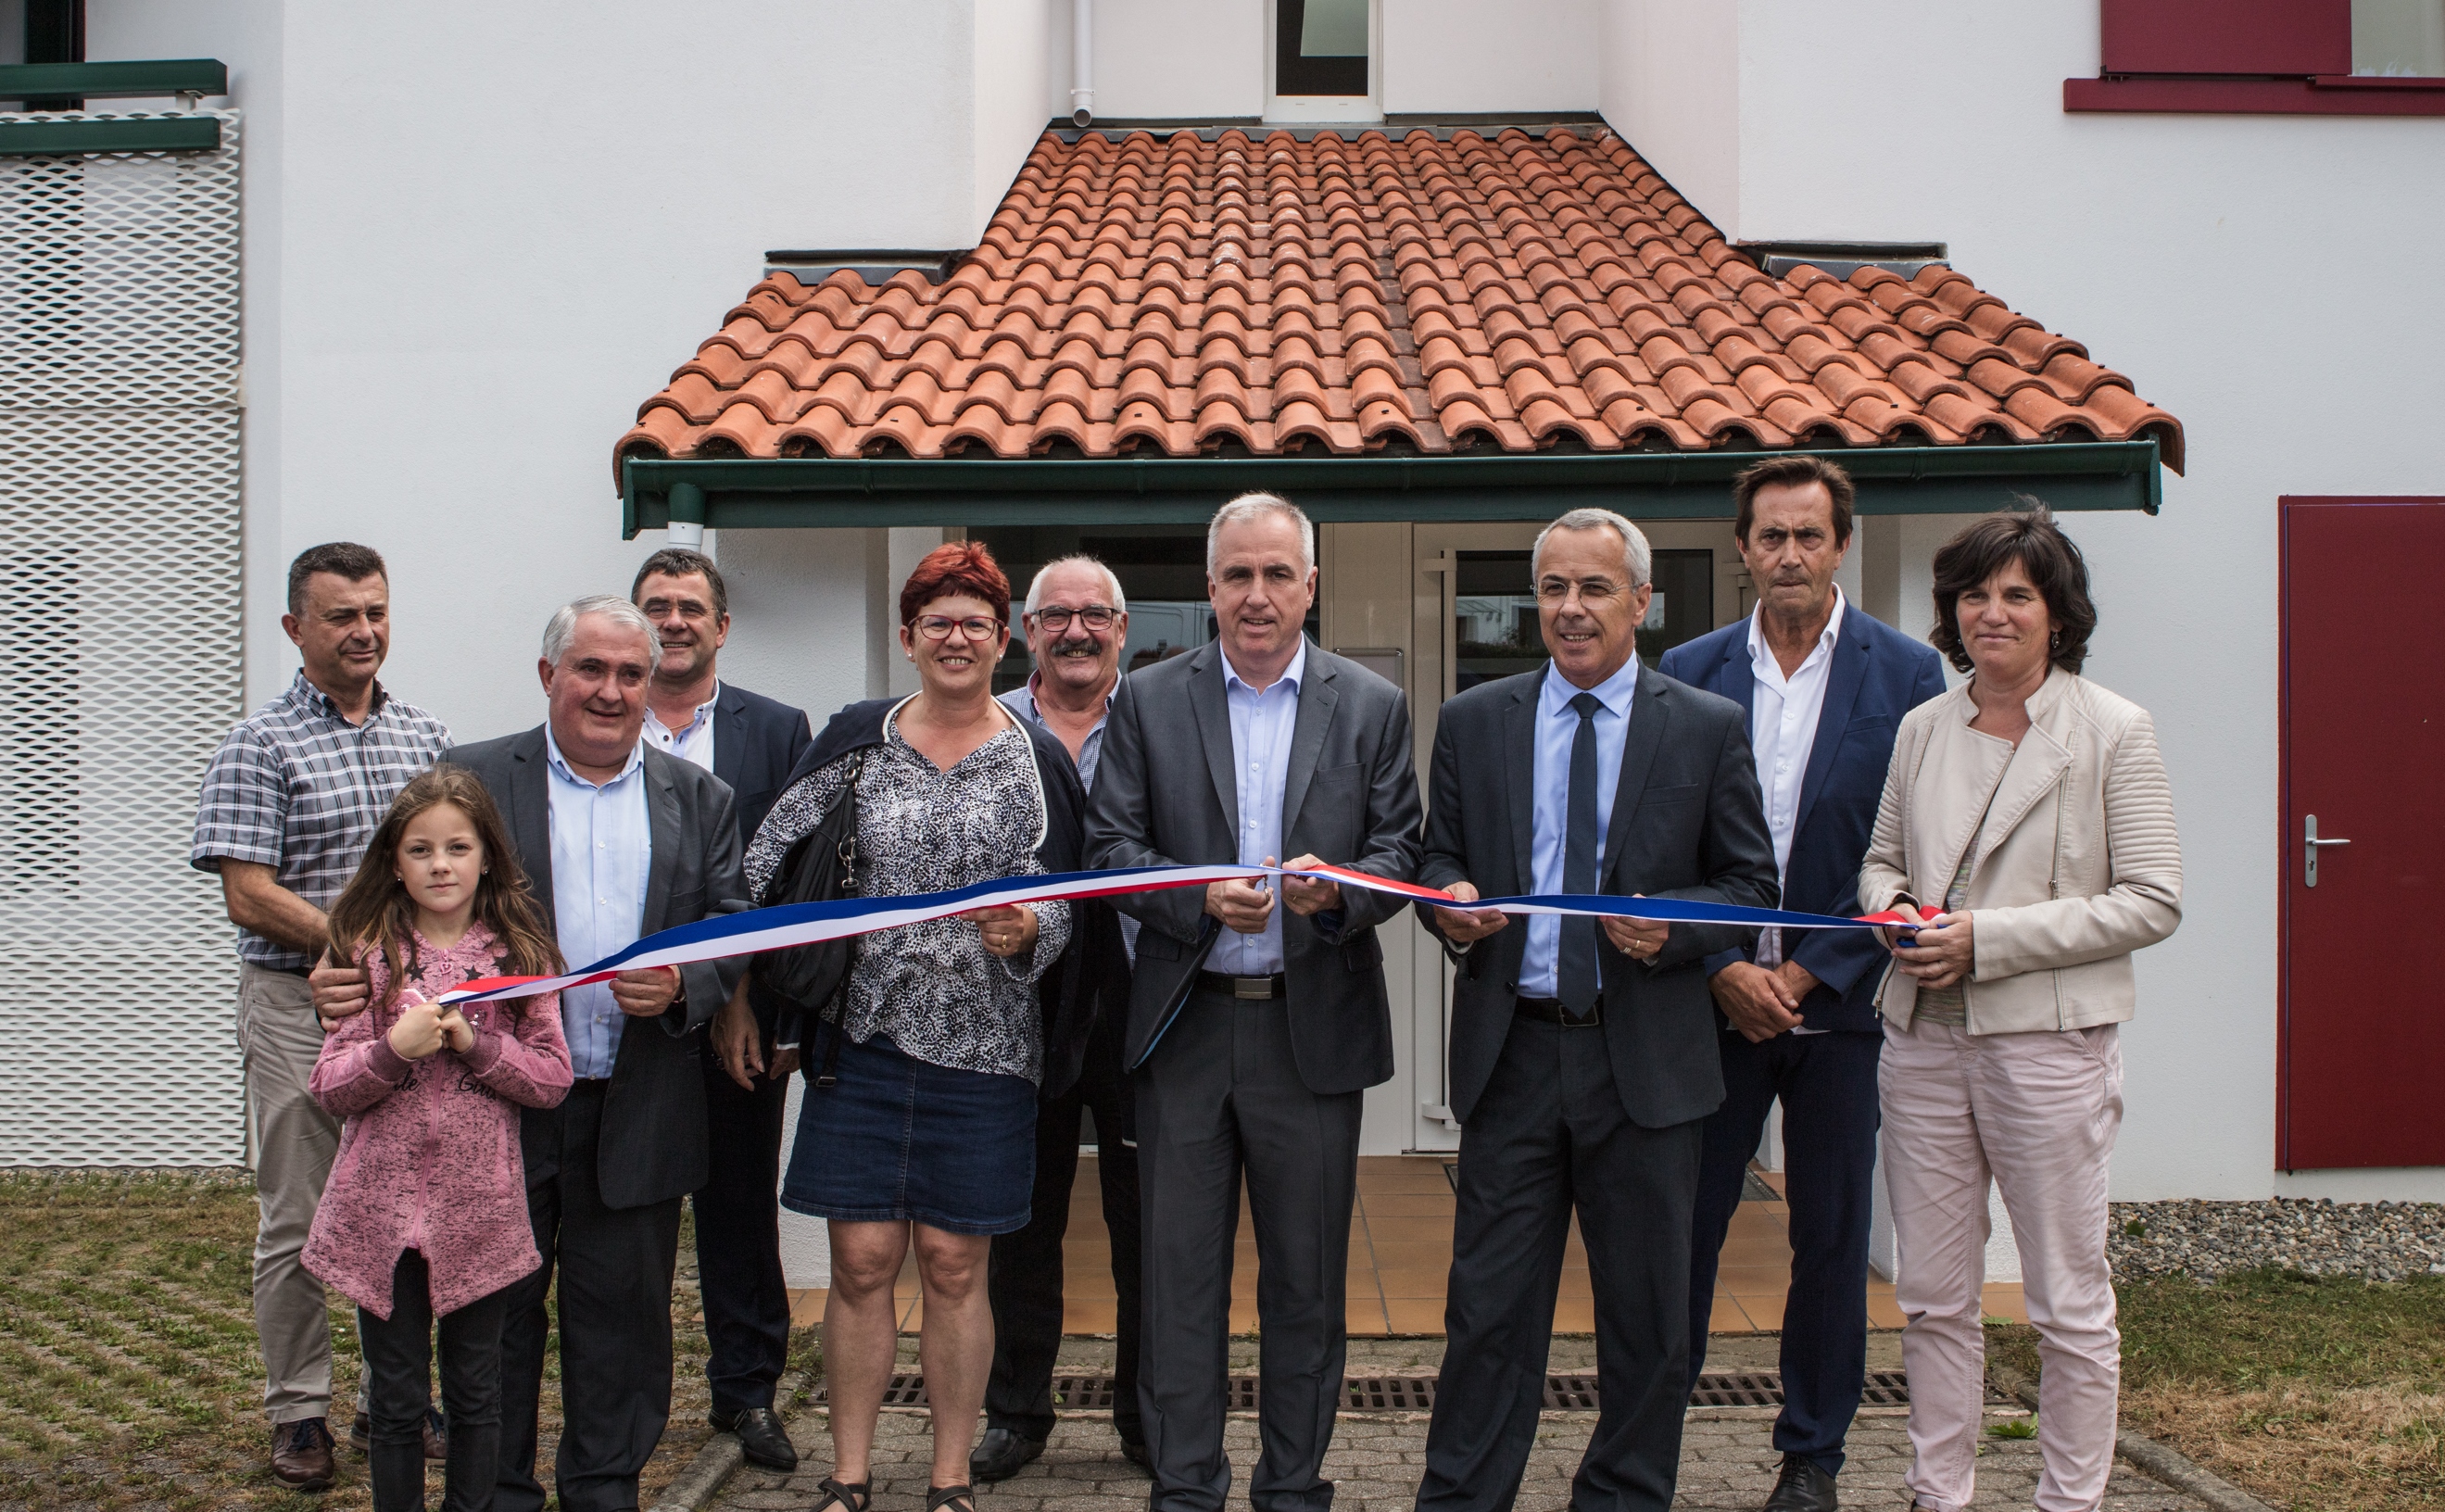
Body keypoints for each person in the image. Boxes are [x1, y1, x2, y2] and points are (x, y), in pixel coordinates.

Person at [315, 593, 750, 1512]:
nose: (611, 690)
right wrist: (337, 973)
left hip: (636, 1100)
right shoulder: (472, 777)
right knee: (494, 1320)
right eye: (590, 669)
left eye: (631, 673)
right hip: (489, 1109)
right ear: (549, 675)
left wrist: (685, 987)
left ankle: (601, 1492)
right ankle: (498, 1493)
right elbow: (391, 905)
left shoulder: (698, 796)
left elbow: (729, 926)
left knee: (623, 1323)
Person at [1412, 507, 1778, 1512]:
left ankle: (1618, 1497)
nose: (1570, 611)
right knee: (1486, 1314)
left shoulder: (1702, 727)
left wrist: (1678, 928)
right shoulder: (1473, 719)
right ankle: (1459, 1500)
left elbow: (1751, 887)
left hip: (1646, 1064)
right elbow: (1438, 859)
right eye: (1552, 590)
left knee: (1647, 1318)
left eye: (1593, 589)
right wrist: (1450, 910)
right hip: (1514, 1055)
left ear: (1640, 602)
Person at [1087, 493, 1422, 1512]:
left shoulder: (1369, 703)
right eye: (1237, 575)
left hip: (1307, 1030)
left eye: (1277, 574)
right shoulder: (1145, 699)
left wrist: (1340, 897)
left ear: (1309, 584)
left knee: (1306, 1287)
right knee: (1177, 1283)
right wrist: (1193, 897)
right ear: (1208, 586)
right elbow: (1109, 852)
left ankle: (1291, 1487)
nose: (1257, 595)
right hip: (1185, 1028)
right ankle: (1184, 1487)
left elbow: (1398, 853)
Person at [738, 542, 1088, 1512]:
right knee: (858, 1262)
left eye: (975, 620)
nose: (956, 636)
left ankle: (946, 1481)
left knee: (952, 1262)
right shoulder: (856, 738)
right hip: (864, 1043)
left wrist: (1031, 929)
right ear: (907, 636)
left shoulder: (1035, 757)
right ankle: (848, 1476)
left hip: (987, 1051)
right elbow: (768, 860)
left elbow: (1071, 896)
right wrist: (740, 983)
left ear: (1002, 638)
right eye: (936, 620)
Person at [1860, 508, 2180, 1512]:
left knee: (2065, 1302)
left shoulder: (2112, 730)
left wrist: (1985, 941)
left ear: (2056, 614)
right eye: (1972, 594)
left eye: (2015, 595)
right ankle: (1936, 1492)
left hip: (2045, 1045)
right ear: (1949, 612)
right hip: (1918, 1042)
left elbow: (2151, 899)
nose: (1989, 614)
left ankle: (2067, 1499)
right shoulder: (1921, 726)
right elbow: (1879, 861)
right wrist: (1891, 914)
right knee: (1931, 1298)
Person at [1658, 458, 1947, 1512]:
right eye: (1768, 536)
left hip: (1841, 1004)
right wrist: (1725, 962)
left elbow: (1920, 852)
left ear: (1840, 545)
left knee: (1827, 1234)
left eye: (1807, 536)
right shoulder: (1686, 670)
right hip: (1713, 1000)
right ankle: (1653, 1433)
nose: (1787, 554)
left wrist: (1812, 966)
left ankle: (1810, 1455)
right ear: (1741, 550)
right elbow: (1658, 840)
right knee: (1684, 1223)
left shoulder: (1906, 674)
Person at [191, 541, 452, 1491]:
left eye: (376, 611)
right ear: (296, 627)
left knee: (404, 1210)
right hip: (297, 1005)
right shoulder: (258, 744)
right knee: (301, 1215)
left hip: (406, 1014)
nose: (364, 632)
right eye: (342, 616)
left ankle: (399, 1396)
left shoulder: (424, 738)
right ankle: (299, 1410)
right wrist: (352, 949)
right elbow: (247, 894)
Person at [304, 766, 573, 1512]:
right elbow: (328, 1086)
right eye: (420, 850)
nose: (441, 865)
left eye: (458, 847)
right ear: (394, 860)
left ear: (487, 853)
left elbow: (552, 1078)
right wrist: (395, 1048)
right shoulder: (369, 952)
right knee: (394, 1400)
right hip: (381, 1217)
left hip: (477, 1212)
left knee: (476, 1392)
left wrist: (474, 1046)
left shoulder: (519, 960)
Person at [631, 547, 814, 1472]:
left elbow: (788, 880)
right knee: (627, 1217)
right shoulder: (599, 721)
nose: (673, 620)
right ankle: (627, 1404)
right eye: (656, 605)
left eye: (689, 606)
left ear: (721, 626)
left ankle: (746, 1395)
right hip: (622, 1020)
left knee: (738, 1212)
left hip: (734, 1015)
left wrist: (754, 1002)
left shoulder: (776, 730)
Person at [974, 555, 1147, 1481]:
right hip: (1018, 1007)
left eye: (1094, 615)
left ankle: (1147, 1416)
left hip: (1139, 1007)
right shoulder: (989, 727)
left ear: (1121, 629)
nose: (1075, 631)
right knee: (1021, 1225)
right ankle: (1016, 1411)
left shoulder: (1163, 721)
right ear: (1026, 632)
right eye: (1055, 616)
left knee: (1147, 1227)